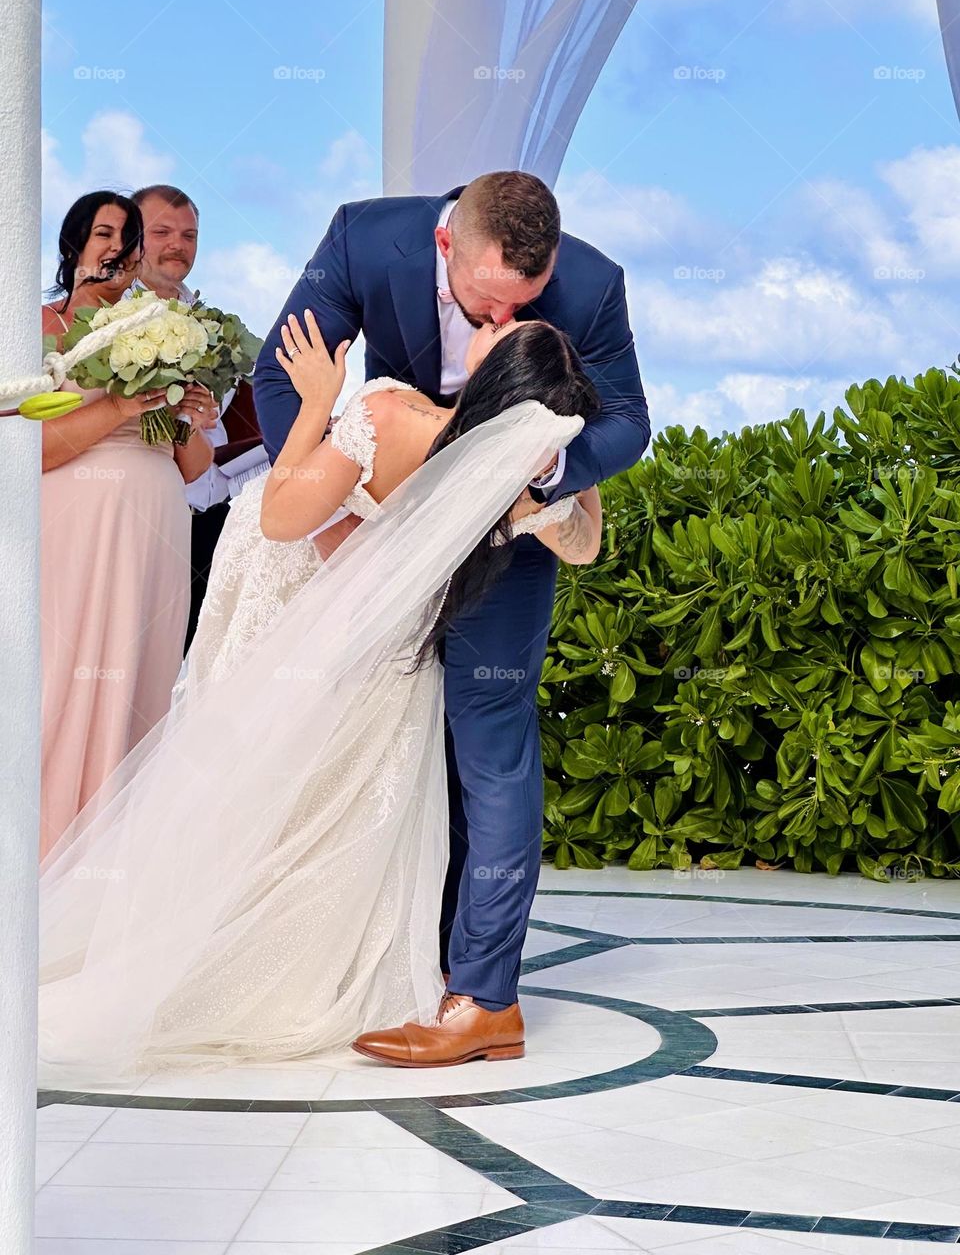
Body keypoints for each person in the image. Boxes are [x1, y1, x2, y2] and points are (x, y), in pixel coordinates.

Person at [36, 314, 600, 1089]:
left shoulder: (389, 416)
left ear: (498, 379)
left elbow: (279, 518)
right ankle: (283, 956)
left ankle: (200, 959)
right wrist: (567, 470)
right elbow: (586, 545)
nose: (492, 321)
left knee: (248, 783)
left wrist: (315, 402)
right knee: (327, 801)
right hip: (383, 648)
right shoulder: (507, 483)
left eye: (503, 332)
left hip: (291, 596)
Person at [254, 170, 649, 1066]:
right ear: (445, 249)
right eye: (486, 305)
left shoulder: (592, 283)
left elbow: (628, 422)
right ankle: (402, 961)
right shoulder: (364, 237)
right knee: (383, 743)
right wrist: (332, 509)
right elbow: (277, 373)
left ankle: (481, 999)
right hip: (381, 516)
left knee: (490, 738)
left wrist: (534, 474)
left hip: (508, 531)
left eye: (527, 304)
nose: (505, 325)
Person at [39, 191, 212, 860]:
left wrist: (187, 413)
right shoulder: (47, 329)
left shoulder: (158, 329)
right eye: (104, 233)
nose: (118, 247)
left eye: (127, 237)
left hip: (157, 533)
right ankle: (45, 852)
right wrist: (116, 406)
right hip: (82, 530)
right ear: (76, 245)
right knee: (65, 681)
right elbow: (35, 449)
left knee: (140, 687)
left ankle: (112, 862)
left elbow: (194, 466)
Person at [127, 183, 270, 653]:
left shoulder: (213, 326)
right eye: (162, 232)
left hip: (213, 511)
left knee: (194, 658)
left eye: (189, 235)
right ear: (133, 238)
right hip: (142, 511)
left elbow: (226, 417)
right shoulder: (111, 318)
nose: (178, 246)